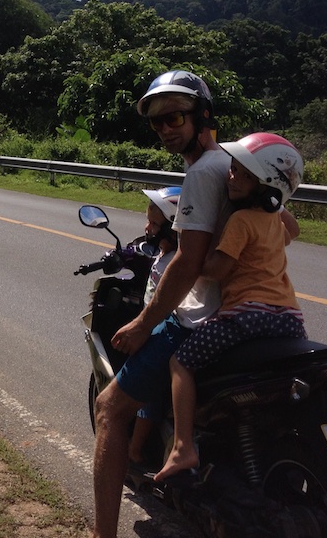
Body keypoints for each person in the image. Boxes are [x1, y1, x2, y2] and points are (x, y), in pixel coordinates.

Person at [91, 70, 299, 538]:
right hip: (265, 313)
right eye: (158, 122)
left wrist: (144, 323)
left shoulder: (205, 172)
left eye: (176, 116)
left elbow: (186, 263)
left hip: (199, 319)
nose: (166, 127)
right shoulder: (240, 168)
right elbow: (287, 228)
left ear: (202, 114)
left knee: (109, 409)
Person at [155, 133, 306, 480]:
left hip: (247, 315)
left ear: (264, 184)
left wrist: (194, 261)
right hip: (289, 317)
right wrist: (276, 204)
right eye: (233, 169)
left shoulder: (240, 221)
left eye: (242, 173)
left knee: (181, 362)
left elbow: (217, 269)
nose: (231, 176)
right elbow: (293, 229)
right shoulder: (272, 222)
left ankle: (182, 447)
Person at [128, 185, 180, 464]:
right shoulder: (166, 251)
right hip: (159, 321)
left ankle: (135, 451)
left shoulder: (176, 261)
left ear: (171, 227)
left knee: (145, 381)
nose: (147, 226)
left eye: (153, 222)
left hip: (164, 326)